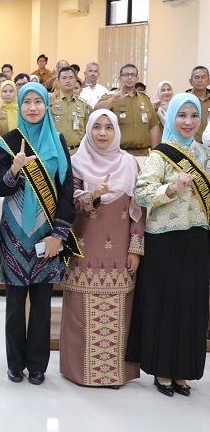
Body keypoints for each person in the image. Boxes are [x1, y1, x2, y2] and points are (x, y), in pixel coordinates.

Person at [0, 83, 80, 385]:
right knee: (15, 305)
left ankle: (38, 364)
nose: (32, 107)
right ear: (19, 106)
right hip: (14, 234)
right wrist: (15, 170)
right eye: (26, 102)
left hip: (48, 234)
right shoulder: (7, 142)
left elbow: (67, 190)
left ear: (46, 105)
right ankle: (15, 363)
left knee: (43, 303)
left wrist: (59, 234)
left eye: (37, 102)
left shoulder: (57, 141)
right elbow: (2, 188)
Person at [128, 93, 210, 397]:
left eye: (193, 116)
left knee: (191, 303)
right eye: (182, 115)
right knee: (164, 303)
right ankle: (162, 370)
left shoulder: (205, 154)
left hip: (198, 237)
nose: (188, 122)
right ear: (171, 117)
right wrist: (172, 188)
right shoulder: (159, 155)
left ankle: (184, 370)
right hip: (164, 238)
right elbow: (142, 194)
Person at [59, 110, 143, 387]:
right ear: (88, 130)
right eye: (97, 127)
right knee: (80, 313)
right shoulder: (76, 163)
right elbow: (69, 205)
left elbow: (139, 212)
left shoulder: (129, 164)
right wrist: (92, 195)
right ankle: (78, 371)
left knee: (121, 313)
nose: (103, 133)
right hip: (84, 250)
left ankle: (116, 373)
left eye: (109, 127)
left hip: (119, 253)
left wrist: (135, 248)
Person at [94, 63, 160, 154]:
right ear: (120, 78)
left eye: (132, 75)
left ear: (137, 79)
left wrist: (155, 152)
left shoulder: (145, 99)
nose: (129, 77)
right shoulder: (111, 96)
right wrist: (112, 100)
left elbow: (153, 126)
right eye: (126, 75)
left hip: (142, 152)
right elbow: (96, 111)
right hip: (118, 152)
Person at [49, 66, 92, 152]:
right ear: (58, 82)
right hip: (55, 150)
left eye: (71, 78)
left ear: (76, 81)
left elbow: (89, 130)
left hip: (77, 151)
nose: (68, 81)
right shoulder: (50, 101)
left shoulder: (84, 105)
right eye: (64, 78)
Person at [187, 65, 210, 140]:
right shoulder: (185, 100)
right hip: (190, 146)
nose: (200, 80)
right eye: (197, 77)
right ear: (190, 81)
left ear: (209, 81)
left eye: (203, 77)